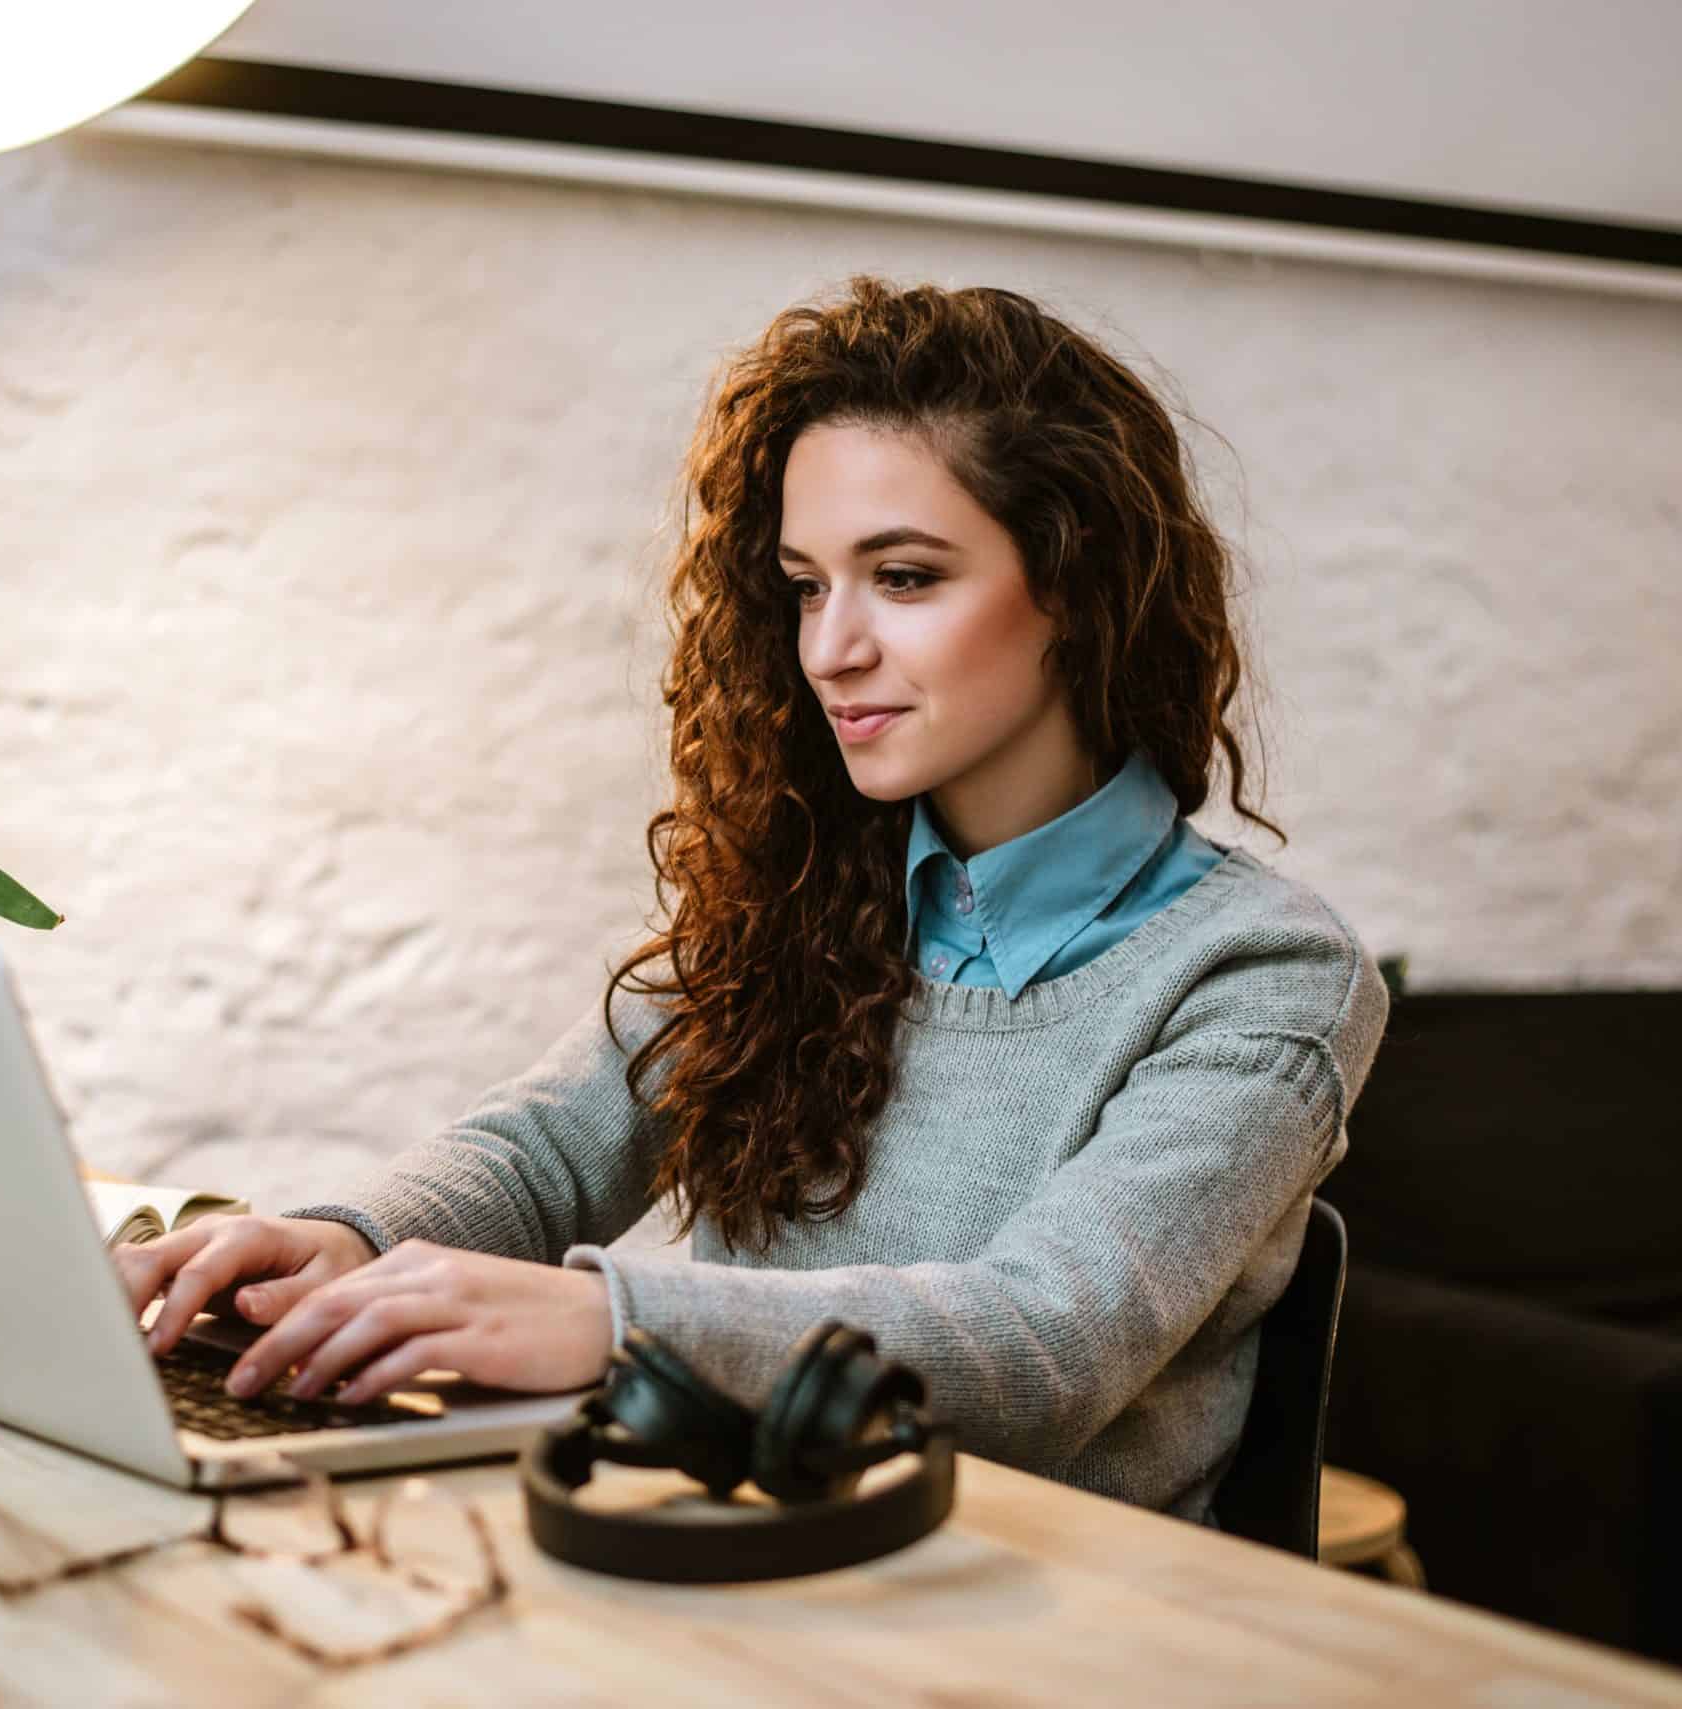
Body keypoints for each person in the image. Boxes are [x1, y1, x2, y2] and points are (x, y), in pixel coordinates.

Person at [114, 275, 1388, 1526]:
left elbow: (1045, 1341)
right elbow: (546, 1151)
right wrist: (349, 1237)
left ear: (1077, 586)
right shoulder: (808, 893)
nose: (831, 648)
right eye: (803, 583)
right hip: (747, 1580)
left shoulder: (1260, 972)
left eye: (902, 576)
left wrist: (615, 1321)